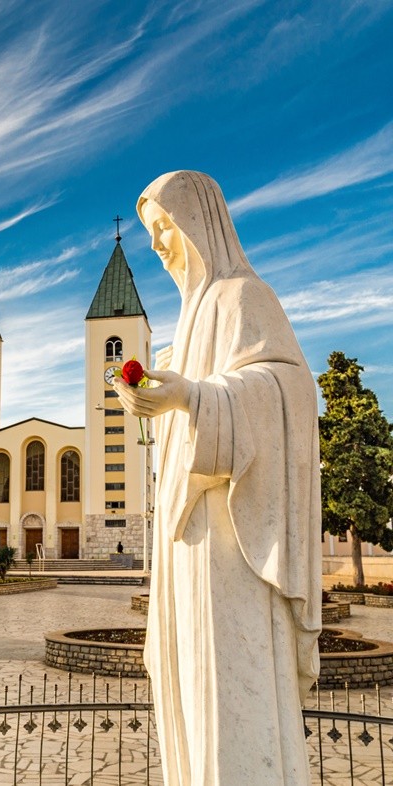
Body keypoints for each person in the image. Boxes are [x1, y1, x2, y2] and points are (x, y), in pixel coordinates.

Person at [114, 171, 320, 785]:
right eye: (150, 232)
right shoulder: (190, 318)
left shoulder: (242, 297)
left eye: (163, 228)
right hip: (186, 539)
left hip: (231, 538)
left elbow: (289, 392)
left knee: (227, 683)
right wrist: (163, 397)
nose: (156, 246)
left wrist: (194, 397)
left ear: (199, 225)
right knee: (192, 686)